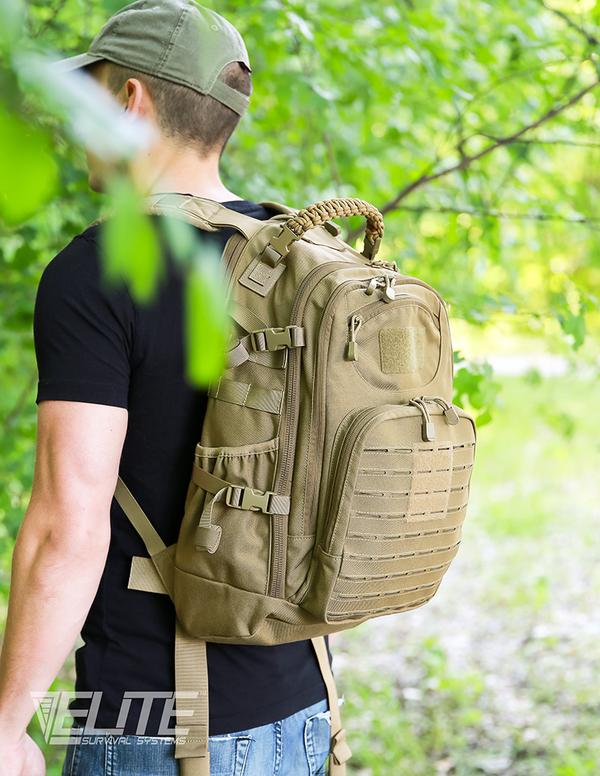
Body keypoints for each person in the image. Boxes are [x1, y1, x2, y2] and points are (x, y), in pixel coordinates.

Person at [0, 2, 333, 774]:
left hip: (156, 724)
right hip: (305, 706)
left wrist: (11, 720)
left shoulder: (98, 272)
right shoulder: (297, 260)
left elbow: (65, 527)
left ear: (128, 100)